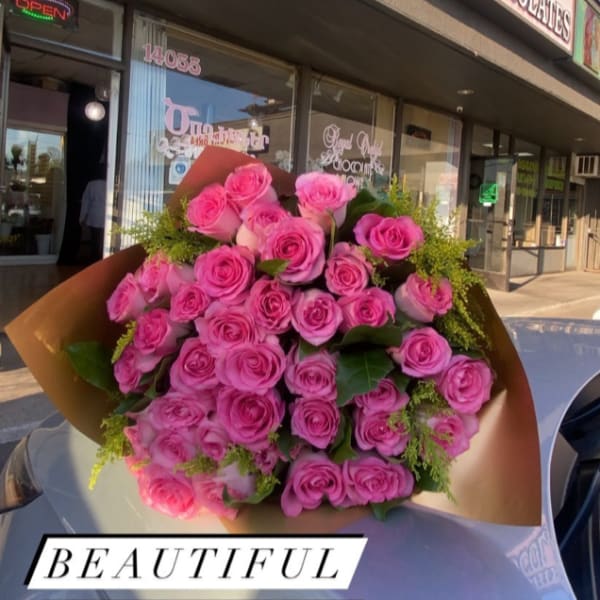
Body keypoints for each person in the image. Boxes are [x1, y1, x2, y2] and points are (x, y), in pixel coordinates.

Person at [79, 165, 106, 262]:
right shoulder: (108, 184)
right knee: (103, 239)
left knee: (94, 238)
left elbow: (86, 201)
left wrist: (82, 217)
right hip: (104, 214)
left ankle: (94, 259)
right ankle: (102, 257)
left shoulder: (91, 184)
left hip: (93, 215)